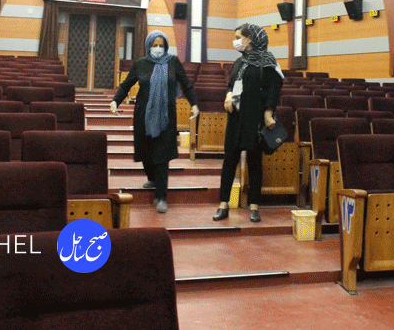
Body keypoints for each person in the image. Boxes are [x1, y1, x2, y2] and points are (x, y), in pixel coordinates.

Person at [110, 31, 198, 213]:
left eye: (161, 45)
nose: (158, 48)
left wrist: (194, 104)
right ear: (148, 46)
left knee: (162, 155)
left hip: (166, 116)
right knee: (145, 151)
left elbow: (186, 84)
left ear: (166, 46)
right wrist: (115, 101)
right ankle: (151, 177)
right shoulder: (141, 64)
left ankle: (161, 196)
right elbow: (126, 85)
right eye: (154, 45)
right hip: (144, 115)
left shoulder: (173, 62)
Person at [213, 24, 283, 223]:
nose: (236, 41)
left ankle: (254, 207)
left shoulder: (268, 61)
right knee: (229, 161)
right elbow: (231, 84)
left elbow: (274, 89)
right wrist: (228, 95)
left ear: (249, 39)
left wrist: (269, 112)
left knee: (254, 163)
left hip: (255, 117)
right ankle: (223, 205)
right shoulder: (239, 62)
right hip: (236, 117)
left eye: (238, 37)